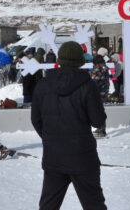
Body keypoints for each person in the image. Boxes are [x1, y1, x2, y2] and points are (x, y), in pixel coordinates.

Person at [31, 41, 107, 210]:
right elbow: (98, 121)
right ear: (80, 60)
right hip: (82, 156)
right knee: (94, 205)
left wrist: (51, 137)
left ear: (60, 59)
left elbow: (35, 119)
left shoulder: (43, 84)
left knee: (48, 205)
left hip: (54, 156)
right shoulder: (88, 85)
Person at [90, 55, 110, 138]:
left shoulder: (99, 69)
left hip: (99, 92)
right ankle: (100, 128)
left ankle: (102, 130)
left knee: (99, 110)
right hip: (103, 91)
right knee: (100, 110)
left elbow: (94, 80)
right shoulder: (104, 68)